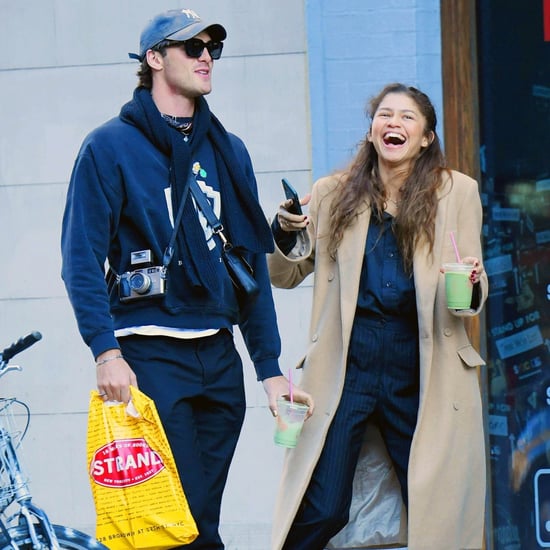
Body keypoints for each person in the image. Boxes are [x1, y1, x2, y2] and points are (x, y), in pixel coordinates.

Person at [61, 8, 312, 549]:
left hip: (218, 360)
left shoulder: (228, 149)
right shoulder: (109, 147)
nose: (205, 57)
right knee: (181, 531)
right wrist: (106, 352)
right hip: (149, 358)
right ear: (154, 59)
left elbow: (249, 266)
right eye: (191, 48)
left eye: (211, 49)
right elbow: (80, 260)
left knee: (196, 523)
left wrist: (268, 370)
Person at [268, 83, 489, 550]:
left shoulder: (457, 193)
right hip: (348, 366)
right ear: (371, 131)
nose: (394, 123)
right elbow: (286, 274)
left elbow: (472, 291)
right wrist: (285, 233)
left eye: (408, 117)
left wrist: (469, 283)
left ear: (427, 137)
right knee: (322, 506)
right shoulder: (333, 194)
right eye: (385, 115)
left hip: (422, 364)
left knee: (436, 511)